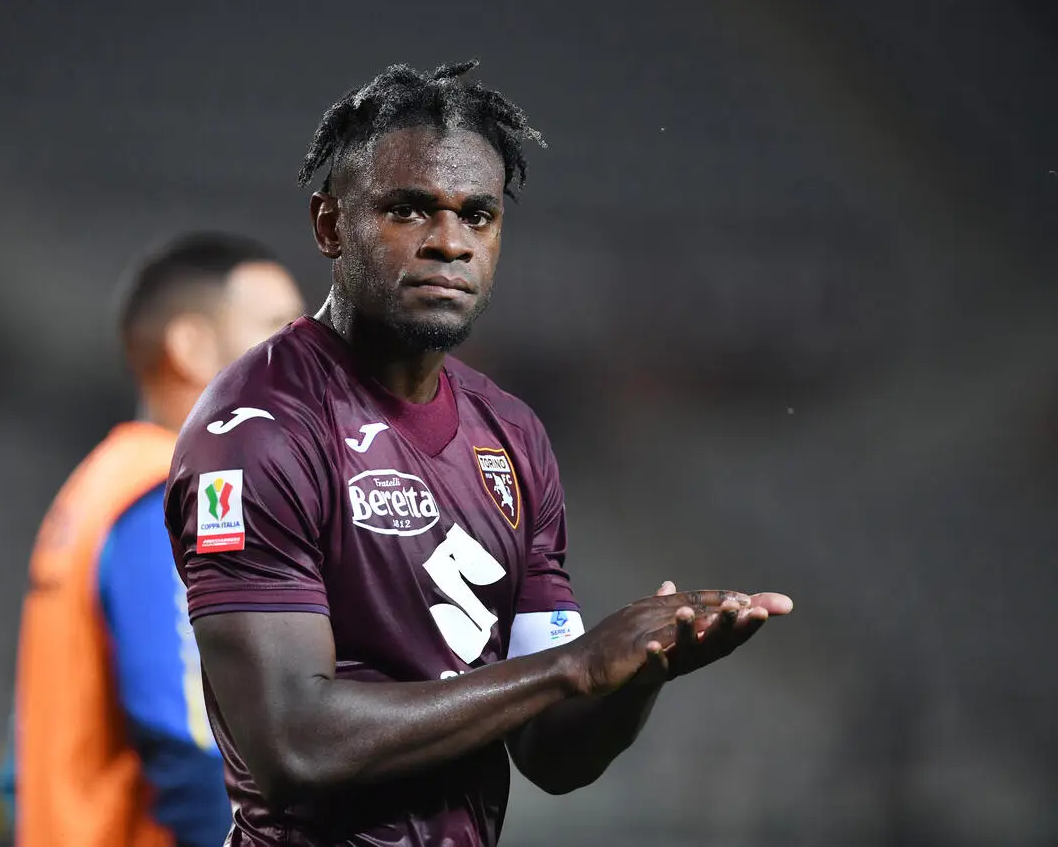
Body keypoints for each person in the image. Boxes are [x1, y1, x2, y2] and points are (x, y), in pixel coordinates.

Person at [164, 61, 794, 846]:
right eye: (408, 210)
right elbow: (294, 743)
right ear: (329, 226)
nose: (450, 243)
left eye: (479, 216)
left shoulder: (511, 435)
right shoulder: (259, 429)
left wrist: (638, 676)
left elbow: (552, 755)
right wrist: (572, 668)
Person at [1, 232, 305, 847]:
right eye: (277, 328)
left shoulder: (97, 488)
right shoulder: (178, 492)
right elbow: (197, 742)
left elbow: (19, 772)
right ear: (191, 345)